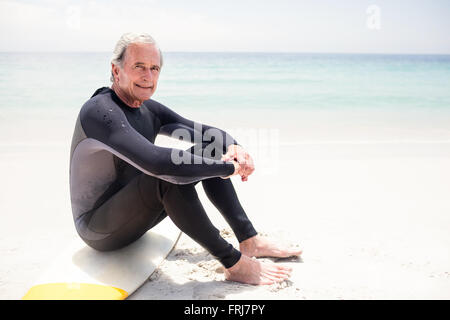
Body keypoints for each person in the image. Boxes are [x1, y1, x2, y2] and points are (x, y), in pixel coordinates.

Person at [69, 32, 301, 286]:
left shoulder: (148, 109)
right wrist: (228, 168)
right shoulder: (99, 111)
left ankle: (249, 239)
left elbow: (207, 135)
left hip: (136, 213)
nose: (148, 76)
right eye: (139, 67)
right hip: (99, 229)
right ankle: (233, 263)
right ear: (116, 70)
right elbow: (156, 162)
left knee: (208, 149)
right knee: (167, 175)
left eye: (154, 68)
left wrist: (236, 149)